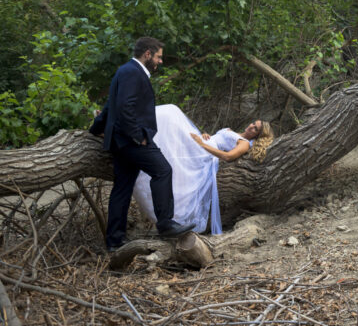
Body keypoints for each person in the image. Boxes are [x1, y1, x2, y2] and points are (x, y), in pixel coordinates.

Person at [89, 37, 194, 252]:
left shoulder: (126, 71)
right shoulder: (132, 72)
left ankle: (114, 241)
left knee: (122, 189)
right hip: (131, 141)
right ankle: (165, 224)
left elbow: (111, 106)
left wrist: (95, 128)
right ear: (147, 54)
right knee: (163, 170)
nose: (160, 61)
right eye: (158, 57)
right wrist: (138, 136)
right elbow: (125, 107)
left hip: (121, 141)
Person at [130, 106, 274, 235]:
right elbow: (218, 139)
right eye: (253, 123)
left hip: (205, 152)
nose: (251, 127)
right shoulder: (234, 132)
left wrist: (202, 145)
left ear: (258, 135)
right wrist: (207, 137)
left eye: (256, 129)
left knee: (172, 114)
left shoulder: (244, 144)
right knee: (171, 122)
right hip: (204, 143)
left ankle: (135, 128)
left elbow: (228, 156)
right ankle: (137, 130)